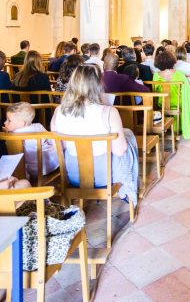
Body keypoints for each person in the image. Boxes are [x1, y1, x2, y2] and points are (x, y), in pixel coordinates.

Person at [50, 65, 139, 204]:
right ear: (98, 84)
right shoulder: (109, 112)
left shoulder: (59, 111)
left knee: (126, 136)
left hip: (73, 174)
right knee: (127, 140)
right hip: (105, 175)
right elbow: (120, 151)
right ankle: (127, 189)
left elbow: (58, 148)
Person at [3, 102, 58, 180]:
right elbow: (51, 140)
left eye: (9, 120)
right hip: (51, 163)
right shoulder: (38, 126)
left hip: (34, 170)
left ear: (22, 124)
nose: (5, 122)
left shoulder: (13, 137)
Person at [152, 49, 190, 140]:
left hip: (161, 104)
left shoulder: (156, 75)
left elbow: (154, 91)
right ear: (172, 61)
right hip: (177, 104)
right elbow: (186, 93)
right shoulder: (180, 75)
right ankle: (180, 127)